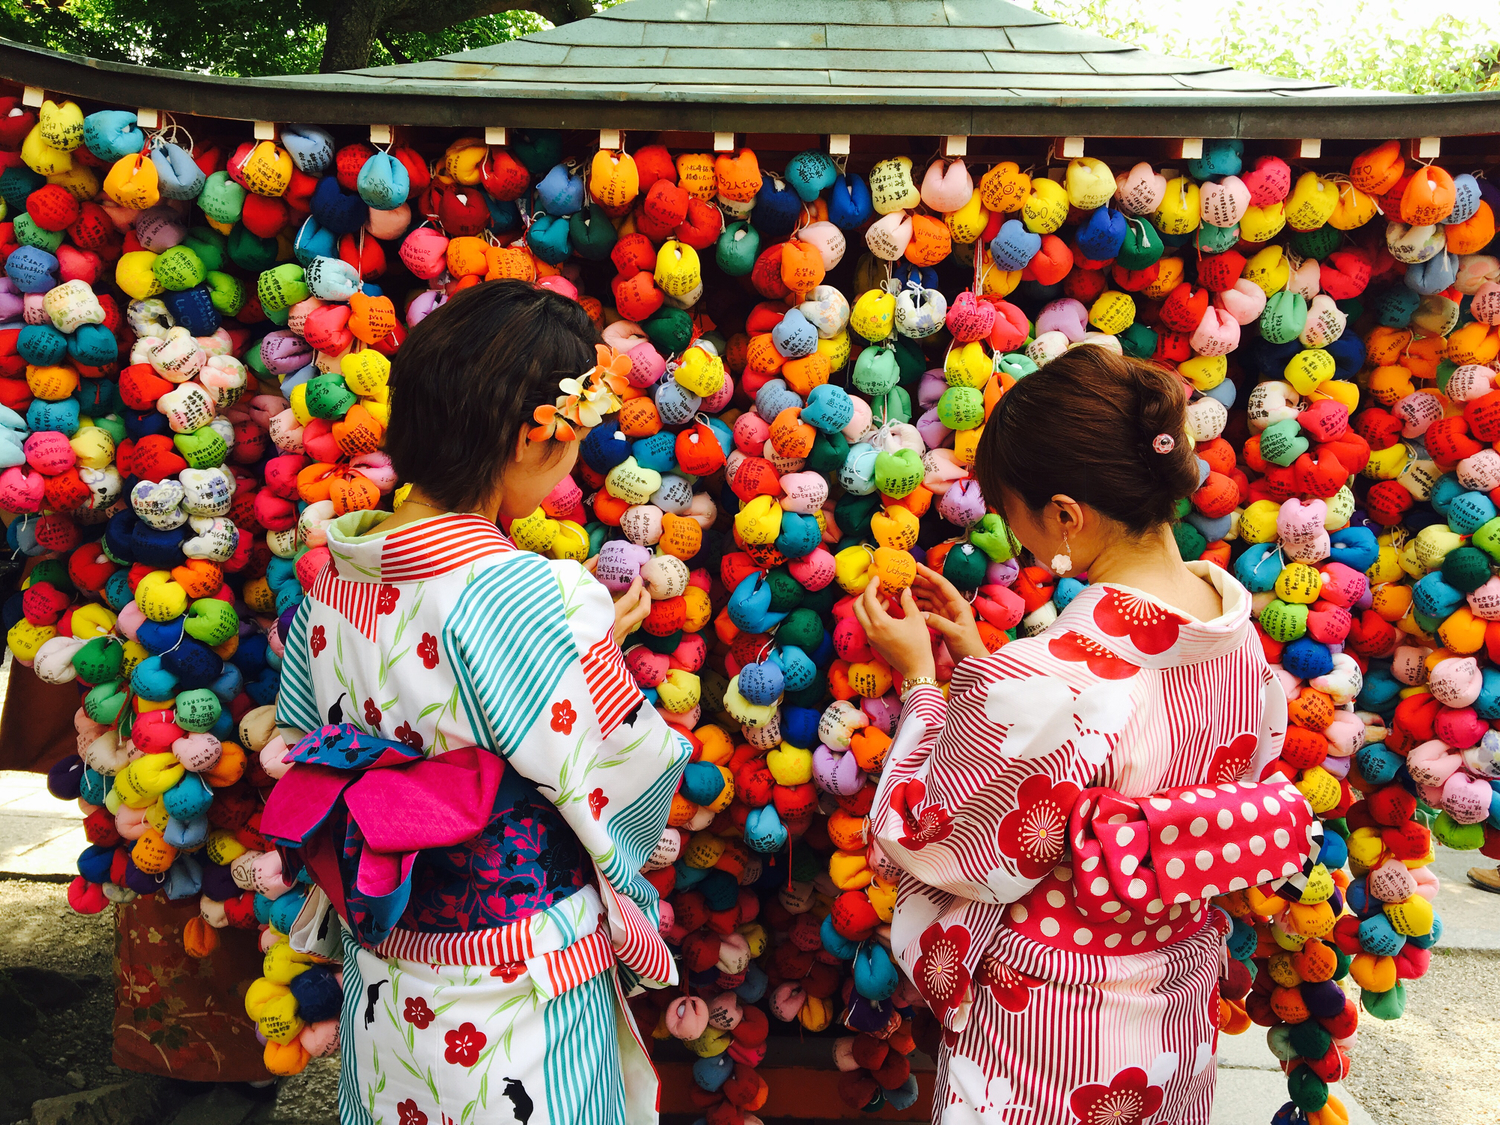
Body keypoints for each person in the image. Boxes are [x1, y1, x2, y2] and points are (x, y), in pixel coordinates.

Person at [854, 345, 1316, 1125]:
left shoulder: (1043, 680)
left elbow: (919, 831)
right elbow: (1085, 739)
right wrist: (985, 669)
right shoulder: (1233, 632)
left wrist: (924, 685)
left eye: (1014, 513)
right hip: (1172, 1011)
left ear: (1066, 514)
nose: (1015, 532)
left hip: (1046, 1031)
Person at [264, 280, 690, 1125]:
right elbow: (617, 765)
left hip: (390, 960)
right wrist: (592, 650)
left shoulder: (333, 582)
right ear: (532, 437)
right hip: (515, 977)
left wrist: (583, 639)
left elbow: (307, 741)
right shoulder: (525, 594)